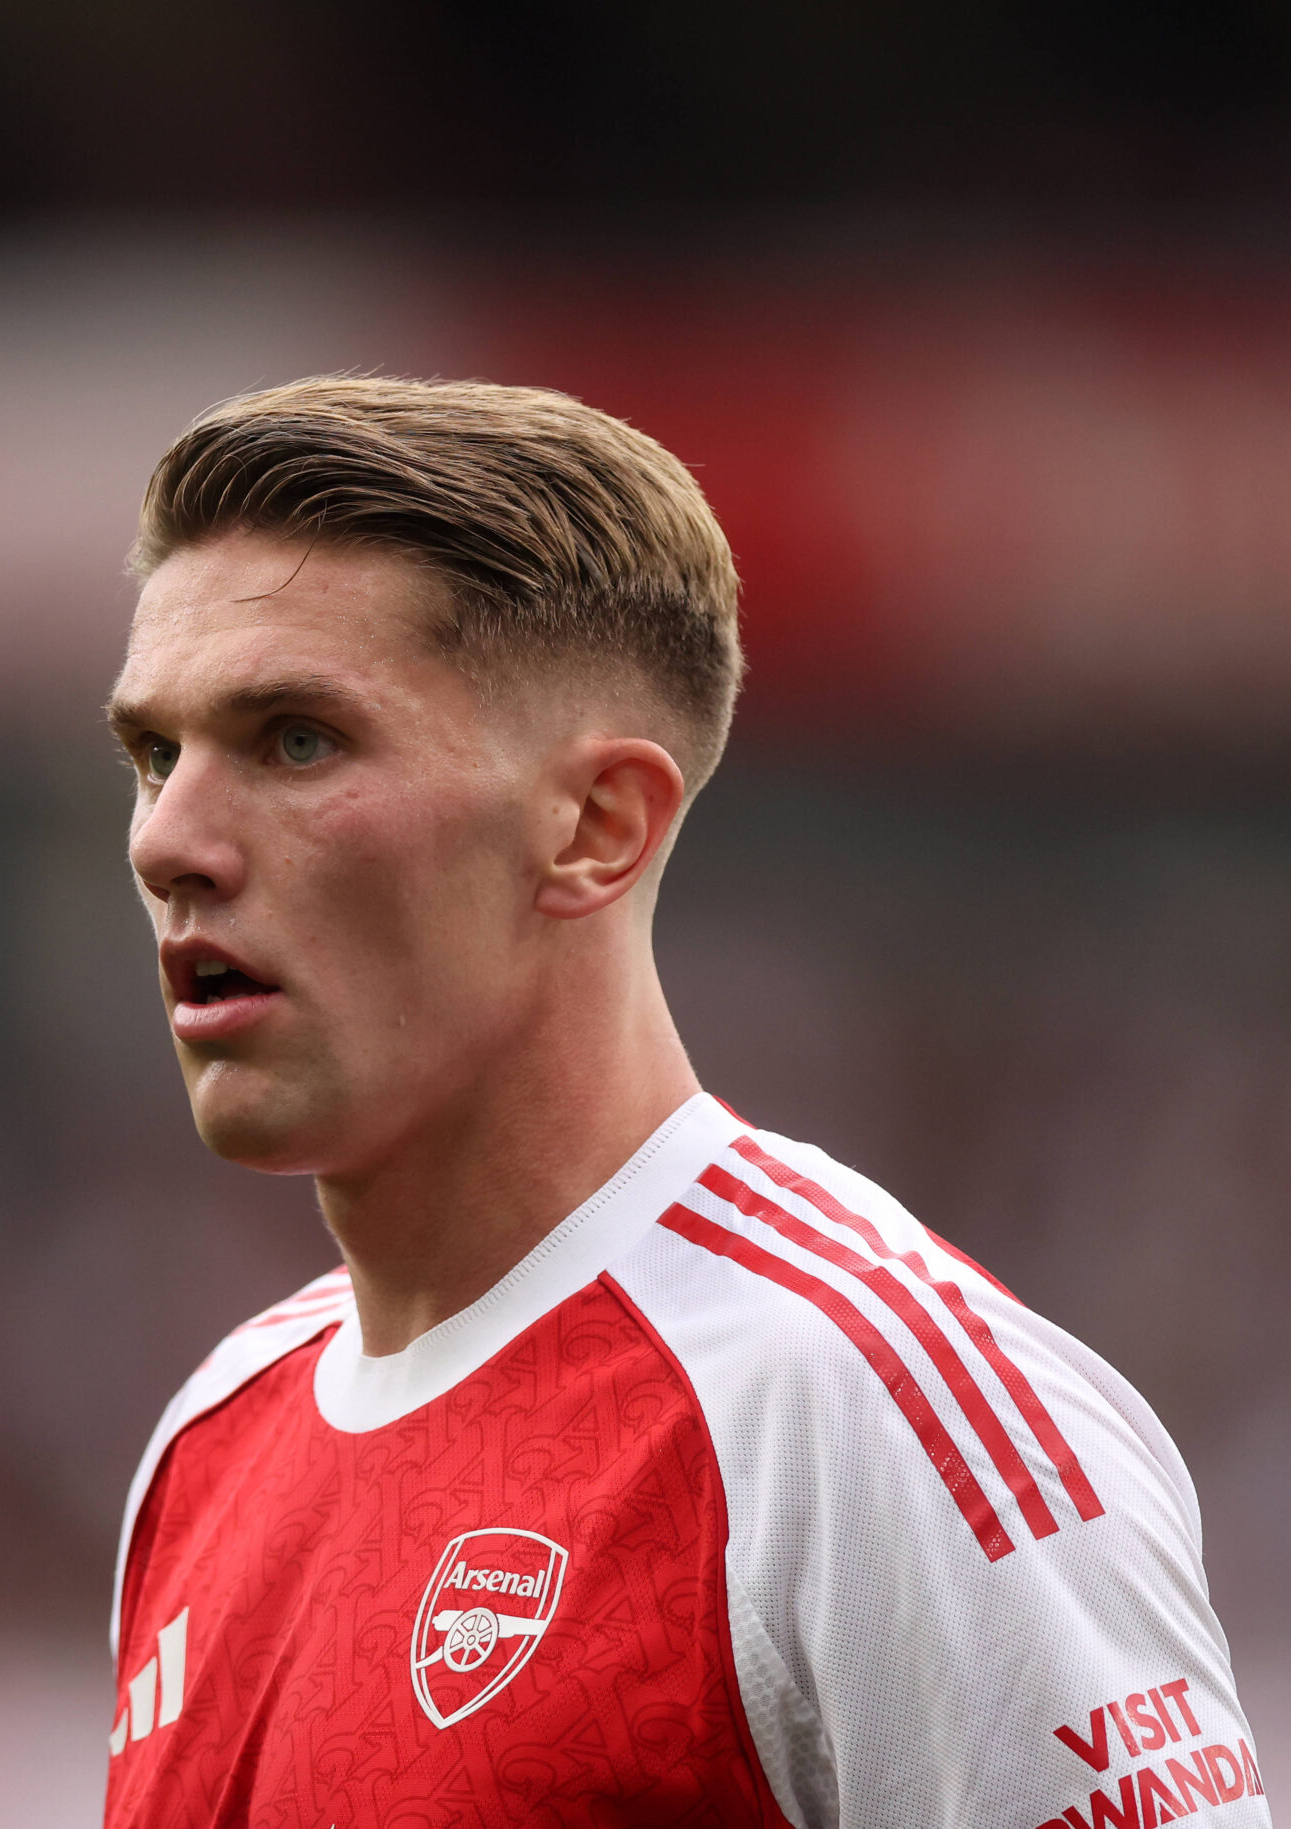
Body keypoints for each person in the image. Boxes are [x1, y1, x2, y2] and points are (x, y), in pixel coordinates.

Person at [99, 377, 1268, 1828]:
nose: (168, 839)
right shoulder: (215, 1436)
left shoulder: (853, 1401)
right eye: (154, 753)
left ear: (595, 827)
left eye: (294, 740)